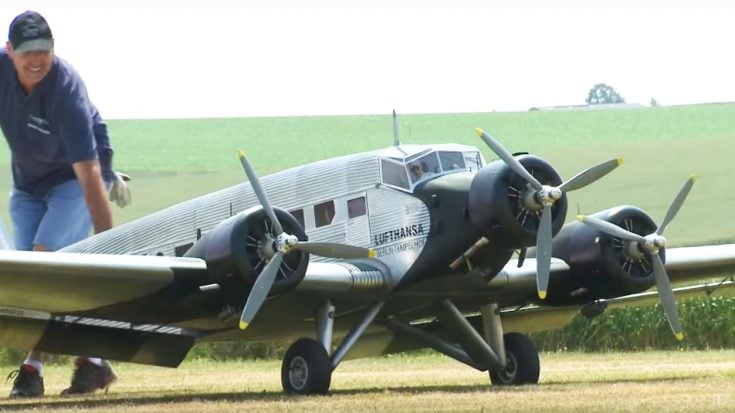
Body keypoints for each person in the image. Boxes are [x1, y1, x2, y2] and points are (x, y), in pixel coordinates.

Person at [0, 10, 130, 397]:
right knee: (28, 282)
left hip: (77, 179)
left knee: (44, 260)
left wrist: (110, 249)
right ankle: (93, 362)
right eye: (27, 53)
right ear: (9, 51)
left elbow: (88, 174)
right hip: (28, 186)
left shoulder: (66, 89)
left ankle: (32, 369)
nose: (37, 60)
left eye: (45, 50)